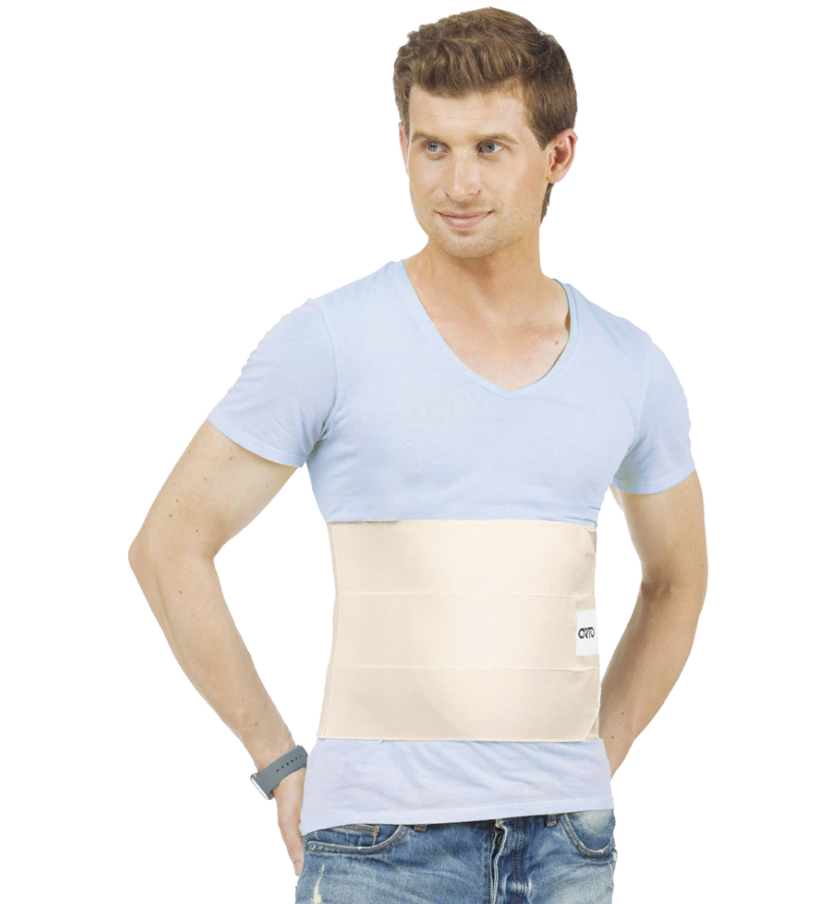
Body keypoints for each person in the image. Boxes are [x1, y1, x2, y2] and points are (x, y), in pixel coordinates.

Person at [128, 8, 708, 903]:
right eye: (432, 147)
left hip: (567, 848)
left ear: (558, 156)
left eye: (489, 148)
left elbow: (677, 580)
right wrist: (277, 760)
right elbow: (169, 545)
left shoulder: (630, 366)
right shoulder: (329, 341)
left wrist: (600, 755)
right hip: (379, 847)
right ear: (401, 144)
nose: (457, 183)